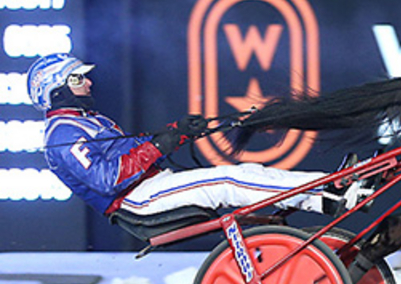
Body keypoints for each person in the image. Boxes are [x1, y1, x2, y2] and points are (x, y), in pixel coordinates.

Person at [27, 53, 368, 220]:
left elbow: (133, 152)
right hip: (137, 201)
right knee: (228, 179)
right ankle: (328, 190)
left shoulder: (87, 120)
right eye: (77, 79)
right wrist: (159, 145)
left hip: (151, 184)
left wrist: (174, 134)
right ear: (57, 90)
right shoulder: (63, 132)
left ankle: (326, 195)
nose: (88, 83)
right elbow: (107, 178)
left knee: (248, 173)